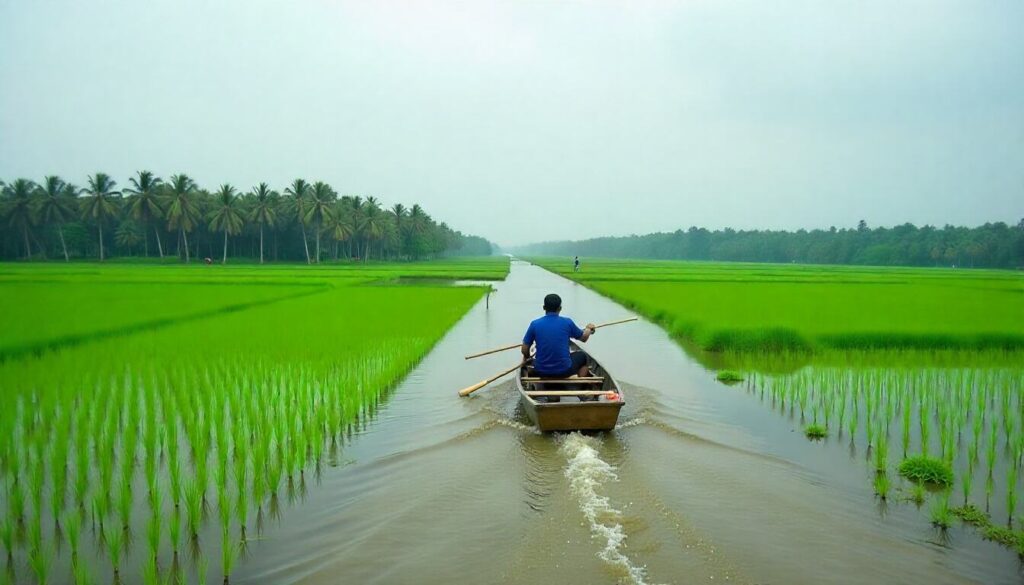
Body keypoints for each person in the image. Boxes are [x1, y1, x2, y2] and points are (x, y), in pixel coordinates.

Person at [521, 293, 595, 379]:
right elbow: (584, 338)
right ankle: (581, 386)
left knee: (531, 362)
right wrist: (588, 329)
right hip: (564, 371)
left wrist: (527, 358)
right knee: (583, 356)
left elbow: (524, 349)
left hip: (541, 371)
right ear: (560, 308)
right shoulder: (567, 322)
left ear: (544, 308)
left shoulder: (535, 324)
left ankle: (530, 373)